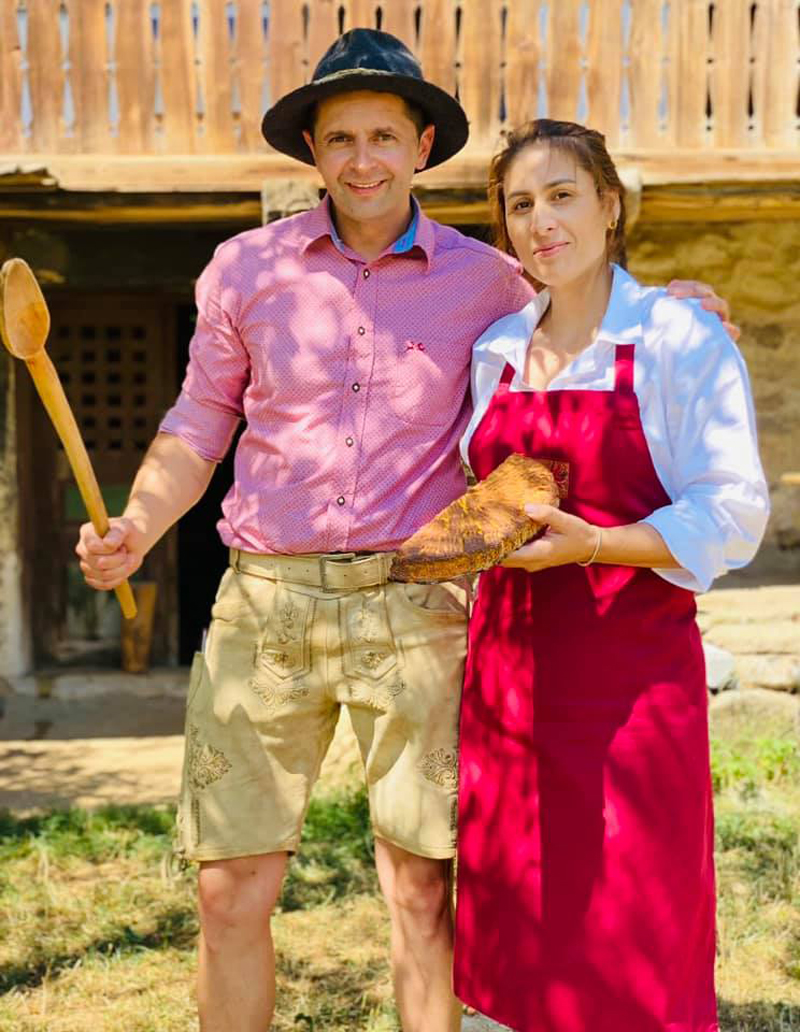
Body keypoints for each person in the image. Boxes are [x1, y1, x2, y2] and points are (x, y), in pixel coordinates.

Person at [75, 30, 734, 1032]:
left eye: (383, 135)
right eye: (340, 138)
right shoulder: (243, 269)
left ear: (422, 146)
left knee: (421, 893)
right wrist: (137, 520)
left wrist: (677, 308)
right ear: (312, 149)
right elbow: (199, 422)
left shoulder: (490, 280)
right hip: (263, 605)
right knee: (228, 891)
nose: (362, 160)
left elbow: (587, 315)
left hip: (415, 605)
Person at [453, 119, 770, 1032]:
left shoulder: (677, 338)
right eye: (521, 205)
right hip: (508, 683)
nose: (541, 221)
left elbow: (734, 510)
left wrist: (593, 544)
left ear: (609, 206)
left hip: (632, 685)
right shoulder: (495, 349)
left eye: (562, 196)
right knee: (521, 921)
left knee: (635, 917)